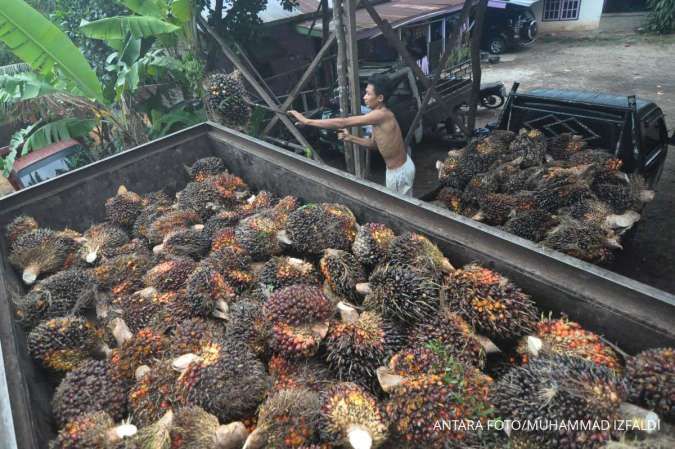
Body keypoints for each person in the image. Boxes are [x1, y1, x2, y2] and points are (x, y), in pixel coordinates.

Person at [288, 74, 415, 197]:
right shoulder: (378, 115)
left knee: (401, 213)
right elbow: (374, 144)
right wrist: (350, 138)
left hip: (399, 173)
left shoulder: (380, 115)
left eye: (368, 94)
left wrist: (307, 121)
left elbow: (343, 122)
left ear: (380, 98)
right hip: (397, 169)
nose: (364, 97)